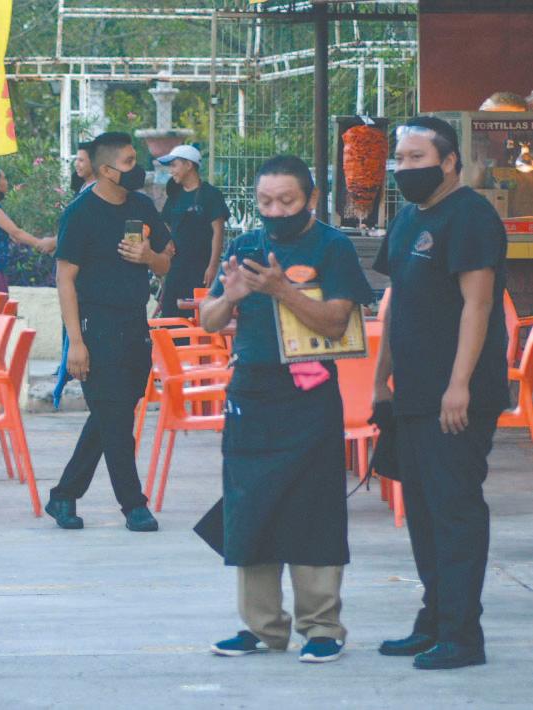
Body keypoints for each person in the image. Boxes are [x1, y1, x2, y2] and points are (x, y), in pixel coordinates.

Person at [197, 156, 373, 663]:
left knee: (313, 506)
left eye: (286, 201)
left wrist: (281, 290)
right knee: (249, 506)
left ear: (311, 199)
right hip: (252, 393)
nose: (275, 211)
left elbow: (336, 322)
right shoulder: (245, 247)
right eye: (266, 202)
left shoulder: (332, 247)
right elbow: (209, 320)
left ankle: (322, 626)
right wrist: (229, 297)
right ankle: (261, 626)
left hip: (310, 395)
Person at [373, 116, 509, 670]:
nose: (404, 168)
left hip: (458, 398)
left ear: (449, 161)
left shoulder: (471, 216)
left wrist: (459, 386)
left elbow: (479, 304)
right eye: (400, 159)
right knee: (424, 513)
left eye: (417, 158)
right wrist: (381, 377)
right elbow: (395, 303)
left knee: (454, 511)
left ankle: (462, 635)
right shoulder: (407, 219)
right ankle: (433, 620)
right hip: (411, 392)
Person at [46, 131, 172, 532]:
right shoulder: (80, 214)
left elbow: (166, 262)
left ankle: (64, 494)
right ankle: (134, 505)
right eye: (129, 162)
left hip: (134, 325)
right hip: (95, 327)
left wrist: (149, 256)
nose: (138, 169)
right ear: (106, 170)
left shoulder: (141, 205)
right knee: (115, 421)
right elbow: (65, 279)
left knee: (111, 414)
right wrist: (75, 343)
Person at [0, 165, 57, 306]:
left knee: (4, 312)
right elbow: (16, 232)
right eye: (3, 178)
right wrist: (40, 243)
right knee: (1, 313)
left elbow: (10, 234)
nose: (6, 182)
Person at [157, 145, 230, 315]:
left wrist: (213, 266)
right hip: (175, 269)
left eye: (174, 165)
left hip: (201, 269)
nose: (171, 171)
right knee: (171, 315)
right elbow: (165, 224)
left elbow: (218, 231)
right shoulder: (175, 195)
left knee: (198, 315)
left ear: (189, 165)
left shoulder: (210, 195)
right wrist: (166, 246)